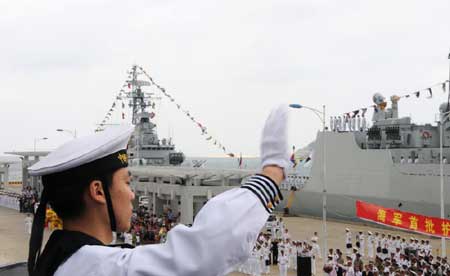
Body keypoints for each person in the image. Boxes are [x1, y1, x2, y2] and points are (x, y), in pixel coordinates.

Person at [27, 105, 290, 276]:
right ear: (98, 191)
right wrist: (271, 175)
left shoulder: (60, 259)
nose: (132, 194)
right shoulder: (96, 266)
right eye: (126, 183)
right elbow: (200, 255)